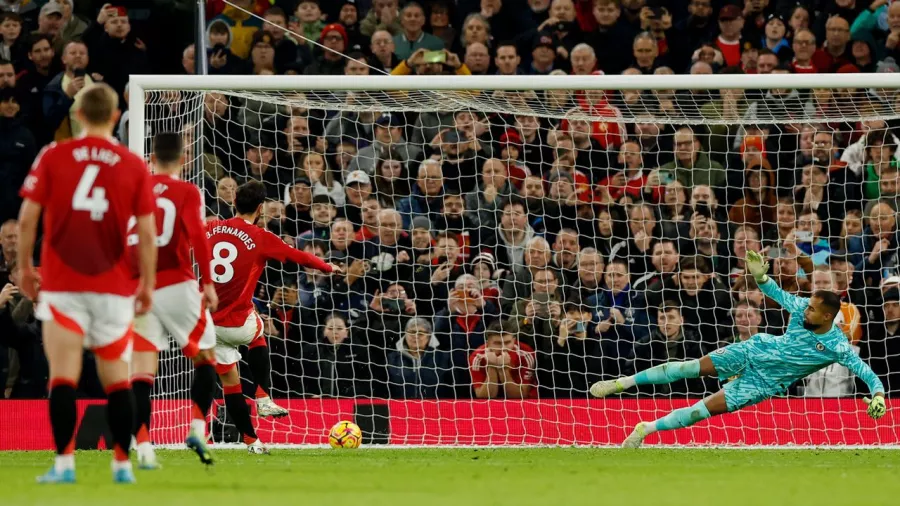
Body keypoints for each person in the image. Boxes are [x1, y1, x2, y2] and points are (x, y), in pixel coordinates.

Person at [590, 250, 886, 448]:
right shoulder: (799, 308)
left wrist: (878, 396)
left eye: (812, 310)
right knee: (688, 368)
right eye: (807, 305)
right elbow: (775, 292)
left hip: (764, 383)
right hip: (754, 349)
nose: (804, 310)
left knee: (700, 411)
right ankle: (621, 383)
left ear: (826, 317)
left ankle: (645, 430)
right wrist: (760, 277)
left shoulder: (838, 346)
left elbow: (868, 373)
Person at [17, 83, 157, 483]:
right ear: (115, 117)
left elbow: (28, 218)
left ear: (77, 115)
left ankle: (64, 464)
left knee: (63, 375)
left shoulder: (53, 155)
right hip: (112, 287)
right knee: (117, 379)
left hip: (63, 285)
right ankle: (122, 465)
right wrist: (145, 283)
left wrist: (26, 268)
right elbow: (146, 234)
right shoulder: (131, 164)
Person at [205, 180, 341, 454]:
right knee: (257, 331)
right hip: (237, 322)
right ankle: (264, 396)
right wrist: (328, 267)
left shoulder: (209, 228)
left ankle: (251, 442)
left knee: (230, 383)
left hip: (207, 323)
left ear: (233, 204)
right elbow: (298, 256)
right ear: (260, 208)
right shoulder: (260, 236)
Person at [128, 133, 219, 469]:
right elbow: (197, 235)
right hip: (176, 284)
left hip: (138, 288)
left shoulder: (134, 190)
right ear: (184, 159)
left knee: (141, 372)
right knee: (207, 355)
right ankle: (197, 428)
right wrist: (207, 283)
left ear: (151, 157)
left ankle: (145, 448)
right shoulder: (186, 191)